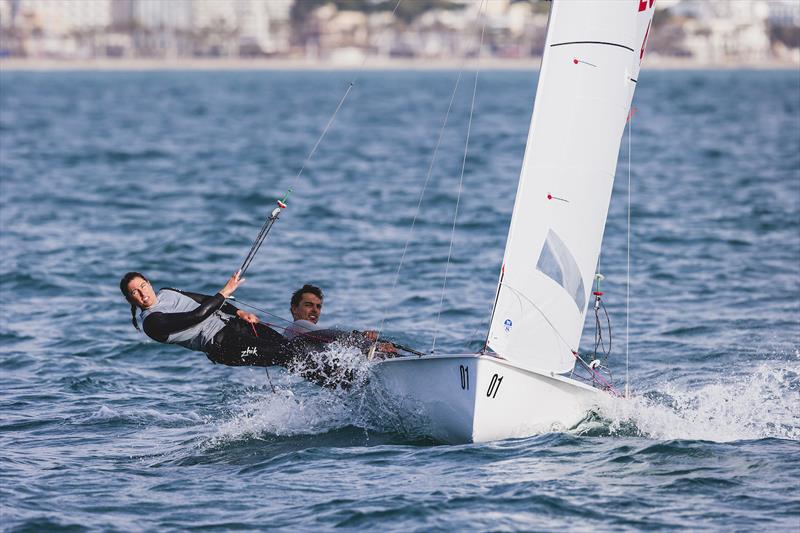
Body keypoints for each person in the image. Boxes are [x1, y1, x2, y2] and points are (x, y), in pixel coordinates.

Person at [120, 270, 291, 368]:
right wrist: (225, 292)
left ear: (149, 283)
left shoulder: (166, 292)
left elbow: (205, 300)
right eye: (135, 292)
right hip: (225, 346)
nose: (143, 293)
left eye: (143, 286)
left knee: (290, 349)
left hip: (235, 325)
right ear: (129, 299)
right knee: (285, 354)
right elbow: (196, 316)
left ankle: (318, 377)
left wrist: (239, 313)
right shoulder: (152, 323)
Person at [283, 284, 396, 356]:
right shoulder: (297, 325)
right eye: (308, 305)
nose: (315, 310)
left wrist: (368, 340)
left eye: (318, 306)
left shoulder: (310, 335)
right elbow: (331, 335)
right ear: (294, 308)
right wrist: (369, 344)